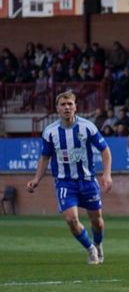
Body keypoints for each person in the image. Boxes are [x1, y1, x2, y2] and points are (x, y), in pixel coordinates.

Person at [27, 90, 112, 264]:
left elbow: (105, 150)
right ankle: (90, 249)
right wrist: (36, 179)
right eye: (63, 105)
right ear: (57, 108)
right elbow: (45, 157)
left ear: (75, 107)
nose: (67, 107)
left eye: (70, 104)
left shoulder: (87, 127)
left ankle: (98, 244)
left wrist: (107, 174)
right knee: (71, 219)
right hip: (65, 182)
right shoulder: (50, 132)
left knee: (97, 221)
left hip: (88, 181)